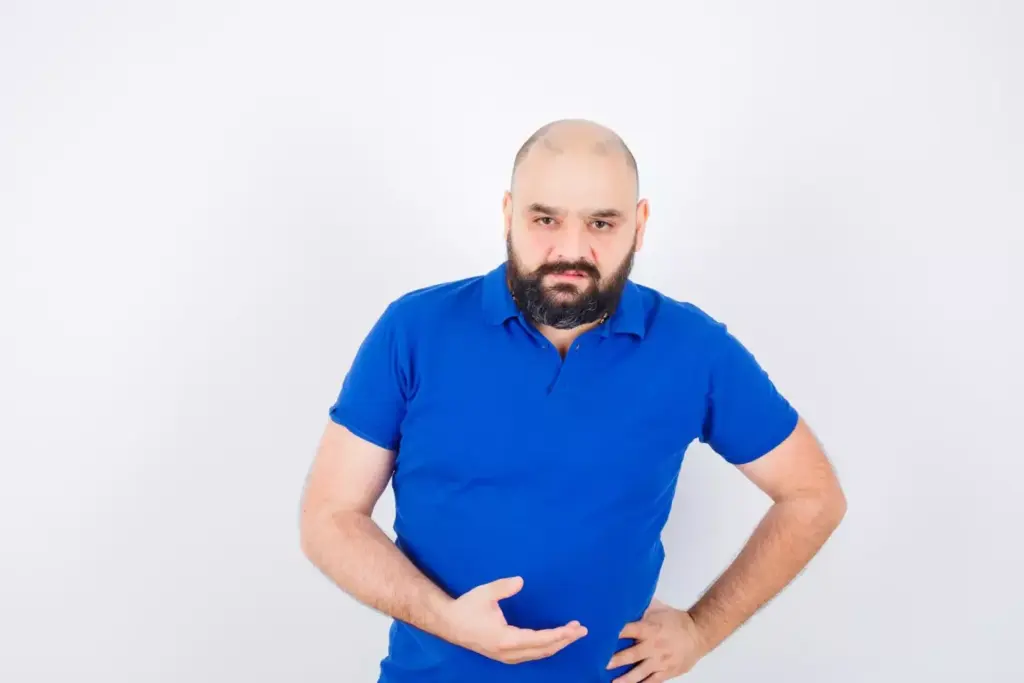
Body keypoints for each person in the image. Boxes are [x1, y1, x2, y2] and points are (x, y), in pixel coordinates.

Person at [299, 118, 847, 683]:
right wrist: (446, 620)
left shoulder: (695, 348)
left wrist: (701, 631)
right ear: (508, 214)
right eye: (545, 219)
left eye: (601, 223)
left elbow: (811, 495)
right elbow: (331, 516)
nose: (571, 249)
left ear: (639, 224)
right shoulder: (414, 330)